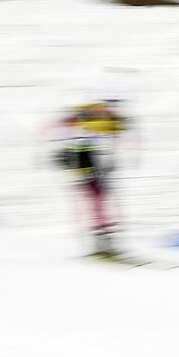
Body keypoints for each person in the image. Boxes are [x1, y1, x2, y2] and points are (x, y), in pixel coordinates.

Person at [50, 97, 130, 257]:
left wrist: (117, 123)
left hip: (91, 166)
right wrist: (116, 121)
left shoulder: (84, 124)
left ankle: (104, 238)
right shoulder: (80, 124)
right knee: (97, 201)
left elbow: (109, 130)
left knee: (99, 201)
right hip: (82, 168)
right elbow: (102, 128)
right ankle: (101, 240)